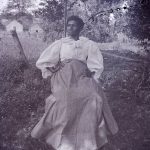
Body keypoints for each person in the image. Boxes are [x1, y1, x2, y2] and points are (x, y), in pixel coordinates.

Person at [31, 15, 118, 150]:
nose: (70, 28)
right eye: (69, 25)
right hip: (63, 76)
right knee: (66, 97)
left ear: (81, 28)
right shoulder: (61, 43)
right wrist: (52, 67)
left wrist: (92, 72)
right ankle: (62, 136)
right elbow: (44, 61)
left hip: (81, 76)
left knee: (93, 96)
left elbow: (95, 63)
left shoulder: (88, 44)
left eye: (74, 25)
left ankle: (87, 137)